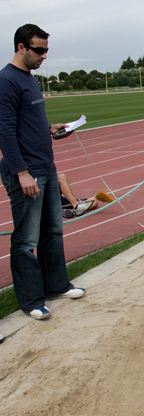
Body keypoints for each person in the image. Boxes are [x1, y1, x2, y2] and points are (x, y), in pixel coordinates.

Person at [0, 24, 86, 320]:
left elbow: (28, 121)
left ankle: (56, 285)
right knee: (26, 240)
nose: (44, 56)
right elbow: (6, 132)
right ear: (21, 48)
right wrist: (21, 172)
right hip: (27, 173)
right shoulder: (6, 81)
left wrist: (51, 128)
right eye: (39, 50)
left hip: (46, 168)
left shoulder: (29, 79)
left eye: (46, 50)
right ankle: (30, 299)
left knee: (53, 230)